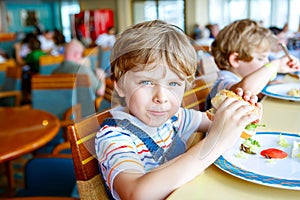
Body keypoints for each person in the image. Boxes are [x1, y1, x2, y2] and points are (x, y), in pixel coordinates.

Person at [95, 20, 261, 200]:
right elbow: (137, 193)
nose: (162, 96)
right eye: (147, 82)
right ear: (120, 86)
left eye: (173, 83)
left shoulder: (175, 117)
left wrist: (243, 114)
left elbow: (216, 120)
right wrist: (215, 143)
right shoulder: (114, 135)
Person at [205, 19, 300, 110]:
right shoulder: (223, 83)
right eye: (260, 58)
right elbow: (245, 90)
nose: (266, 62)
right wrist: (274, 66)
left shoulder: (237, 80)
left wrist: (265, 88)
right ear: (235, 59)